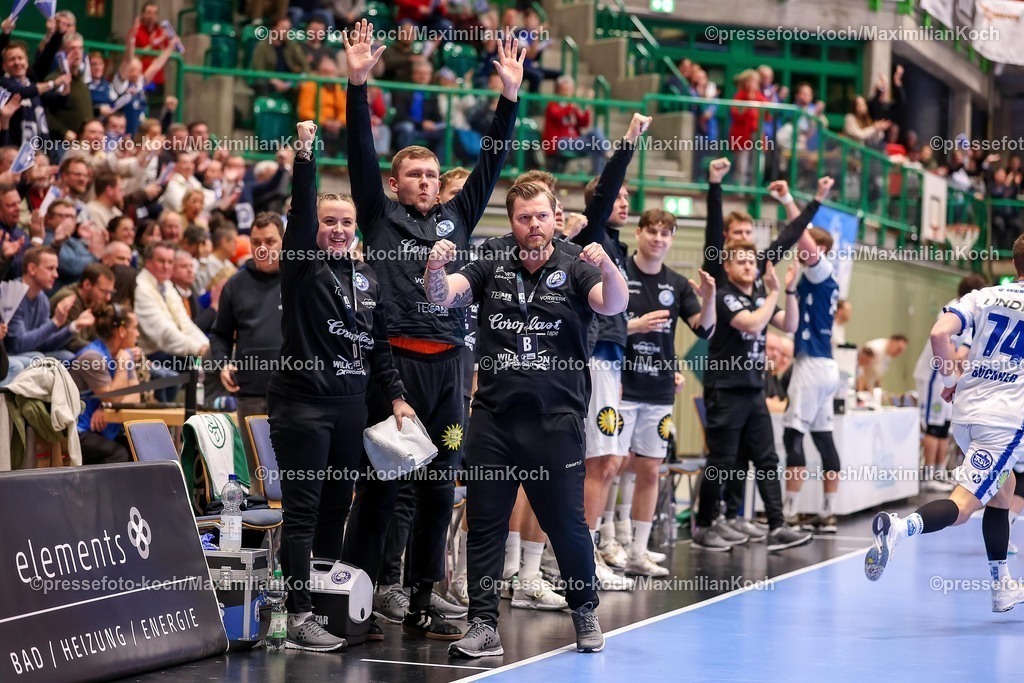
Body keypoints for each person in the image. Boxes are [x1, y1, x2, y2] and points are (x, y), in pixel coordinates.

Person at [339, 22, 522, 642]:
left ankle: (422, 594)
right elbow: (360, 152)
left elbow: (493, 159)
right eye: (413, 175)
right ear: (394, 184)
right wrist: (358, 83)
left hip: (448, 370)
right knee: (385, 486)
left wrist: (510, 97)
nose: (423, 182)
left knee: (440, 486)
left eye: (430, 174)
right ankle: (368, 591)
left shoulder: (460, 215)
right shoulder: (377, 215)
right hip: (393, 369)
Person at [425, 182, 629, 658]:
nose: (533, 226)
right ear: (512, 221)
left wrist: (609, 265)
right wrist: (435, 267)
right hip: (494, 419)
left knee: (566, 524)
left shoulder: (577, 261)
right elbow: (444, 297)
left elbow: (613, 303)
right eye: (523, 218)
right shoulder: (492, 258)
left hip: (555, 421)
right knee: (487, 523)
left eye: (541, 216)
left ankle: (583, 610)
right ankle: (482, 624)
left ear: (556, 218)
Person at [267, 121, 414, 652]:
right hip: (303, 407)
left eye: (345, 222)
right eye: (329, 221)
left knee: (336, 508)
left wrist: (396, 395)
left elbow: (378, 347)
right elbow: (303, 212)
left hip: (351, 408)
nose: (337, 229)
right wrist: (305, 156)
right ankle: (297, 610)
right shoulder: (303, 266)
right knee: (303, 512)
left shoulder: (367, 279)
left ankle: (325, 604)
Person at [865, 236, 1024, 613]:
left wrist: (950, 379)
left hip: (966, 414)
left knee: (1005, 488)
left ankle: (1002, 586)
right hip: (1003, 420)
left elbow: (939, 333)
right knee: (965, 505)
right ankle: (900, 529)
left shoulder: (982, 296)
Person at [692, 240, 806, 552]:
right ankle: (704, 525)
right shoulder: (725, 297)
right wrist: (772, 294)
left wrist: (790, 290)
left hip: (754, 389)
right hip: (725, 389)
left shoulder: (758, 296)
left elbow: (791, 324)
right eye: (740, 261)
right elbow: (753, 325)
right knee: (722, 460)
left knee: (767, 458)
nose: (747, 266)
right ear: (727, 267)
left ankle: (777, 525)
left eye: (751, 262)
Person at [620, 209, 715, 575]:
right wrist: (635, 326)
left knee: (649, 469)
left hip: (658, 390)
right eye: (653, 231)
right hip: (621, 386)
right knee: (611, 467)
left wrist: (709, 298)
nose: (659, 238)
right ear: (639, 232)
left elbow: (703, 330)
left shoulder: (675, 283)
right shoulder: (620, 271)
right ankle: (610, 538)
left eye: (666, 233)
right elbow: (598, 326)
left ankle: (638, 551)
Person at [780, 217, 848, 534]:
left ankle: (789, 512)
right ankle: (828, 513)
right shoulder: (815, 276)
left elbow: (806, 244)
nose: (798, 253)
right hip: (825, 365)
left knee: (793, 435)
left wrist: (794, 210)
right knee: (823, 438)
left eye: (802, 248)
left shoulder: (820, 271)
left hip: (812, 366)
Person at [210, 212, 284, 481]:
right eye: (256, 242)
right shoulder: (236, 284)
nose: (263, 249)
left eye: (270, 241)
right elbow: (219, 334)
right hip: (251, 393)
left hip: (295, 392)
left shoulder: (300, 281)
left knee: (295, 474)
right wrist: (222, 364)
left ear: (283, 243)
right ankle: (262, 524)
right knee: (259, 477)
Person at [911, 275, 987, 492]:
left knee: (944, 428)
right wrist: (956, 375)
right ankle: (927, 476)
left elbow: (963, 353)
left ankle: (939, 472)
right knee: (933, 427)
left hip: (950, 376)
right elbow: (948, 349)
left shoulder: (975, 312)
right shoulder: (953, 310)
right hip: (936, 375)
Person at [68, 304, 141, 465]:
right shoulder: (92, 358)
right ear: (122, 331)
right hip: (76, 432)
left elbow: (135, 397)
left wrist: (104, 406)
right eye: (135, 328)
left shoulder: (121, 355)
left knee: (139, 449)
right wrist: (124, 363)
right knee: (118, 455)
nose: (138, 334)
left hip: (98, 429)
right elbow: (114, 399)